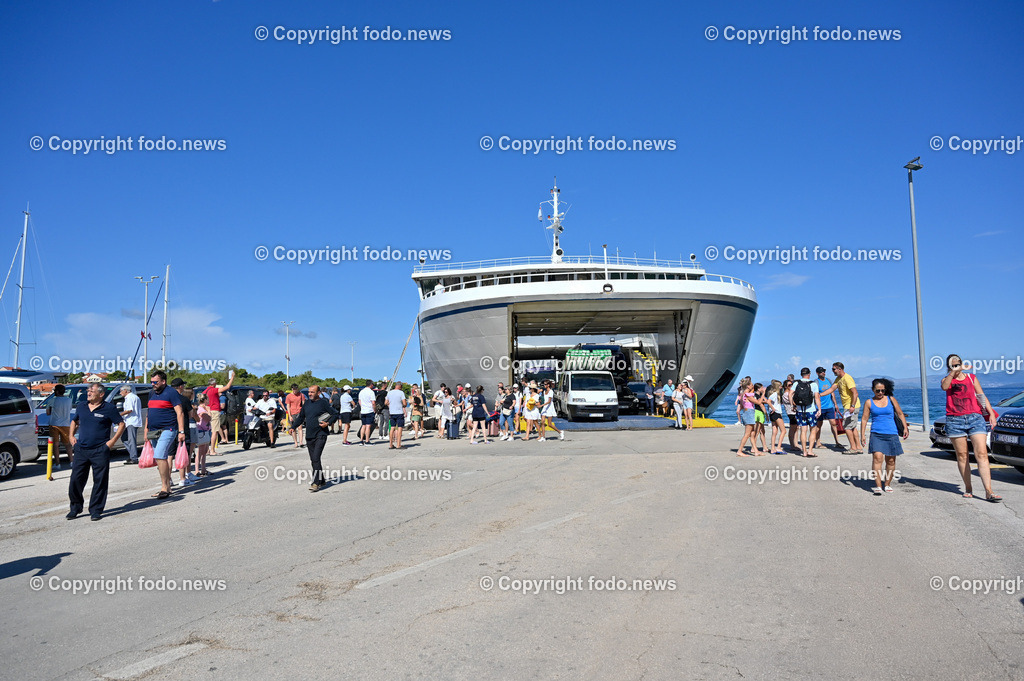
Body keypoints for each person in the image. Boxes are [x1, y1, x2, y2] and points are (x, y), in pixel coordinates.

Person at [941, 354, 1001, 502]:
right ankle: (968, 487)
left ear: (962, 363)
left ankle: (989, 491)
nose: (955, 366)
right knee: (962, 455)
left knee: (981, 453)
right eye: (952, 365)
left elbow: (981, 395)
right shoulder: (946, 379)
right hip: (955, 420)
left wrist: (991, 413)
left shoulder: (971, 378)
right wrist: (952, 373)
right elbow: (945, 387)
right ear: (949, 367)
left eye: (958, 363)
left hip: (975, 418)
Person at [67, 382, 126, 521]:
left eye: (91, 390)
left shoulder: (109, 408)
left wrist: (112, 442)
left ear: (101, 394)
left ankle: (96, 510)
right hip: (81, 449)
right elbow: (75, 421)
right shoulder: (81, 406)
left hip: (100, 449)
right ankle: (75, 508)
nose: (88, 392)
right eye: (88, 390)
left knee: (100, 481)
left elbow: (121, 424)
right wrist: (71, 436)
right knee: (75, 480)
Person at [859, 378, 909, 495]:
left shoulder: (891, 399)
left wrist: (905, 428)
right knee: (877, 458)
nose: (880, 393)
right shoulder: (869, 402)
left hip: (891, 433)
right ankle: (878, 485)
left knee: (891, 461)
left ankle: (887, 484)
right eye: (878, 391)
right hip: (876, 433)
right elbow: (864, 419)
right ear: (873, 390)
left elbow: (900, 413)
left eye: (882, 390)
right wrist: (862, 435)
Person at [288, 385, 340, 492]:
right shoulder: (306, 403)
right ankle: (321, 480)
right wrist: (293, 427)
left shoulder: (323, 403)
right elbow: (301, 417)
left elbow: (335, 413)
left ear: (318, 393)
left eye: (312, 392)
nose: (310, 394)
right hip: (310, 435)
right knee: (313, 460)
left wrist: (328, 423)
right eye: (309, 392)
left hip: (321, 434)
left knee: (316, 458)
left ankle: (316, 483)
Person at [144, 370, 187, 499]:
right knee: (160, 459)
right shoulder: (151, 393)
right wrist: (146, 430)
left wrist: (181, 431)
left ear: (163, 381)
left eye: (155, 382)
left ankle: (164, 488)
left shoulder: (171, 392)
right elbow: (149, 412)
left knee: (160, 456)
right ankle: (167, 486)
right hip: (153, 431)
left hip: (168, 429)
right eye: (151, 382)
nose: (153, 384)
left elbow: (180, 412)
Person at [817, 362, 862, 454]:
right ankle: (858, 447)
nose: (832, 371)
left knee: (847, 427)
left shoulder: (847, 378)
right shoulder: (838, 379)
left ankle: (853, 448)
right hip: (848, 406)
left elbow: (855, 393)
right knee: (852, 427)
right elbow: (831, 389)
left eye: (834, 369)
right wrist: (820, 394)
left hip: (851, 406)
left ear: (839, 369)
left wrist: (852, 406)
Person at [170, 378, 199, 486]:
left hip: (170, 429)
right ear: (181, 386)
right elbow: (191, 415)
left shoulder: (167, 398)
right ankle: (183, 479)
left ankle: (168, 480)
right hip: (183, 430)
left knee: (169, 456)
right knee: (183, 454)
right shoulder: (183, 399)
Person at [791, 368, 821, 457]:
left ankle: (804, 451)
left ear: (801, 374)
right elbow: (817, 398)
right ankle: (810, 450)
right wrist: (819, 409)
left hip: (800, 411)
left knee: (803, 431)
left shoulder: (796, 383)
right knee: (813, 430)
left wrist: (792, 405)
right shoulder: (813, 384)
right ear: (809, 374)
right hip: (811, 410)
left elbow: (790, 394)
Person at [203, 371, 235, 455]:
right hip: (214, 411)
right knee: (214, 431)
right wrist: (232, 377)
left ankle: (207, 450)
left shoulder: (204, 392)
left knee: (207, 431)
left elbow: (202, 403)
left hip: (207, 412)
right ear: (214, 384)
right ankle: (212, 450)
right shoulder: (214, 390)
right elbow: (227, 387)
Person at [811, 366, 842, 452]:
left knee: (833, 423)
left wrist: (835, 404)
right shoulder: (816, 382)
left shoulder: (829, 380)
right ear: (817, 373)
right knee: (819, 425)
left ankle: (837, 442)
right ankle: (817, 443)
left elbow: (832, 393)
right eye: (821, 372)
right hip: (820, 407)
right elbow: (815, 394)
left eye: (824, 371)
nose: (823, 373)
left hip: (829, 406)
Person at [48, 384, 73, 468]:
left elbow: (48, 412)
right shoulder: (69, 400)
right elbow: (69, 409)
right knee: (67, 444)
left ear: (57, 391)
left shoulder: (52, 400)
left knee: (55, 445)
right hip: (66, 424)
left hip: (54, 424)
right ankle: (72, 461)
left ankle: (58, 463)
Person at [736, 378, 760, 456]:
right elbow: (758, 402)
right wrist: (763, 394)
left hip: (747, 412)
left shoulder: (743, 394)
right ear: (748, 386)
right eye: (752, 385)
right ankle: (740, 451)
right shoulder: (747, 394)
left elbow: (742, 405)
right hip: (749, 413)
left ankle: (756, 451)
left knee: (752, 433)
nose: (753, 387)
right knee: (747, 434)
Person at [118, 385, 142, 464]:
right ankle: (132, 454)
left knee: (131, 440)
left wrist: (119, 415)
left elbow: (129, 410)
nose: (120, 392)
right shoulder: (133, 397)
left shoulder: (130, 398)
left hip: (132, 421)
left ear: (126, 390)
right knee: (124, 438)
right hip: (130, 421)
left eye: (121, 390)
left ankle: (134, 458)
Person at [765, 380, 786, 455]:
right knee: (783, 431)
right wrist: (773, 408)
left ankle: (773, 448)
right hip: (776, 413)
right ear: (778, 387)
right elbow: (768, 401)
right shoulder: (774, 394)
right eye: (780, 386)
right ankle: (778, 447)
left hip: (773, 414)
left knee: (775, 431)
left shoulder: (774, 394)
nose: (781, 387)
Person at [385, 382, 408, 449]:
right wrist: (402, 405)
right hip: (399, 412)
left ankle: (391, 444)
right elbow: (404, 403)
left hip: (392, 412)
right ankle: (398, 445)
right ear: (400, 386)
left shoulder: (389, 392)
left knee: (392, 427)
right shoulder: (401, 393)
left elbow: (386, 402)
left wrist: (391, 405)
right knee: (400, 428)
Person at [194, 392, 212, 476]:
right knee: (200, 451)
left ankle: (203, 469)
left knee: (204, 451)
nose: (208, 401)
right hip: (202, 431)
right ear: (205, 400)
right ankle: (197, 470)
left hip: (205, 430)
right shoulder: (201, 410)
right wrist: (209, 411)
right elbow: (208, 418)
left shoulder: (201, 409)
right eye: (207, 399)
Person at [358, 381, 376, 446]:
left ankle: (361, 440)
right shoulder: (371, 392)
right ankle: (367, 440)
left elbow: (359, 401)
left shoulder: (361, 391)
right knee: (368, 426)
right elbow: (373, 402)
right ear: (371, 385)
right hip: (369, 410)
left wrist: (362, 407)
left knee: (363, 425)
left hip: (363, 410)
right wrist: (374, 409)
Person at [781, 378, 797, 450]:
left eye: (792, 384)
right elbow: (794, 403)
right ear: (785, 386)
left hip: (794, 412)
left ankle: (794, 444)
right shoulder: (786, 394)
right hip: (791, 413)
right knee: (792, 428)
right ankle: (792, 445)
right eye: (789, 385)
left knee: (796, 428)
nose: (791, 386)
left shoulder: (791, 393)